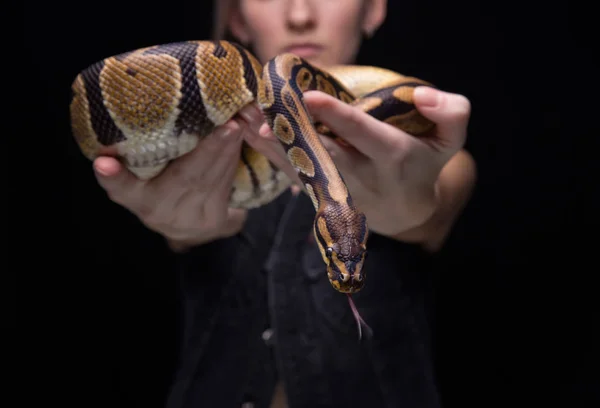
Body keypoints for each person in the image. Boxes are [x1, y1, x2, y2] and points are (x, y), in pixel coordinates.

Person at [91, 0, 476, 407]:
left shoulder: (431, 159)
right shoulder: (198, 163)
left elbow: (435, 205)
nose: (300, 15)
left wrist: (414, 207)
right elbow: (193, 225)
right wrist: (190, 228)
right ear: (236, 17)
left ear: (374, 10)